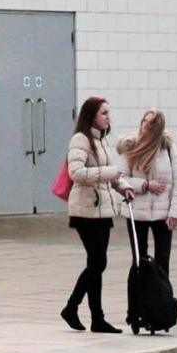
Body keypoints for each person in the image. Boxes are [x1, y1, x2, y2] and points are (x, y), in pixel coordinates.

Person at [60, 96, 124, 334]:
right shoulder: (81, 139)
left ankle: (97, 319)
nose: (108, 117)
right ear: (91, 116)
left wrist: (124, 186)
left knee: (96, 264)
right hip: (85, 210)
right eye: (104, 113)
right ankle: (71, 307)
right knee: (98, 262)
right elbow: (76, 172)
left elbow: (110, 176)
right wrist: (108, 173)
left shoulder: (101, 140)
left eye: (108, 112)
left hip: (102, 210)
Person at [115, 108, 177, 335]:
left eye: (152, 123)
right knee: (138, 262)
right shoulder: (131, 147)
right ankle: (136, 311)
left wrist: (175, 212)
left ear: (159, 127)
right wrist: (144, 186)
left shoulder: (168, 148)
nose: (146, 126)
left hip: (162, 213)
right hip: (138, 213)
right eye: (145, 121)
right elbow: (120, 178)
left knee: (163, 263)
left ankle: (160, 311)